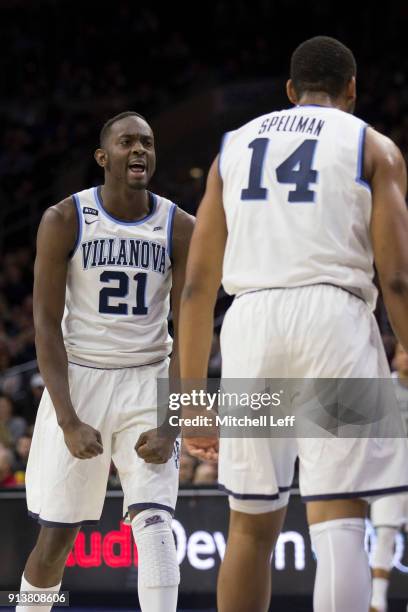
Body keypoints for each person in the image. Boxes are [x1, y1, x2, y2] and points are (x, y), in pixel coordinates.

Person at [179, 36, 408, 612]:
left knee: (251, 526)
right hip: (335, 326)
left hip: (251, 325)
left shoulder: (232, 148)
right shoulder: (373, 146)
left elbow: (196, 287)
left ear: (289, 91)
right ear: (352, 90)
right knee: (339, 523)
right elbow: (398, 279)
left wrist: (189, 399)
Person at [17, 111, 194, 612]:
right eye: (127, 143)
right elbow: (46, 324)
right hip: (80, 380)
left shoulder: (180, 227)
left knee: (157, 527)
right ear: (103, 157)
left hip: (148, 376)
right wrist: (69, 419)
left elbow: (189, 331)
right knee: (55, 543)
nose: (139, 150)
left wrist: (172, 422)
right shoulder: (64, 219)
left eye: (147, 143)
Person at [370, 342, 408, 612]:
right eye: (401, 352)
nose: (405, 357)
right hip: (388, 475)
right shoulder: (382, 388)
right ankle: (377, 602)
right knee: (385, 534)